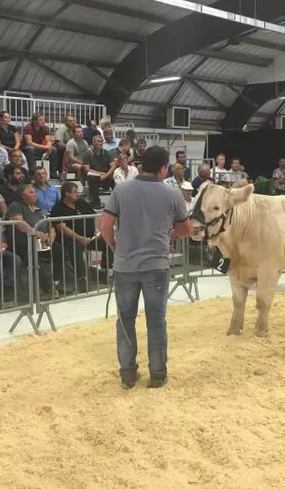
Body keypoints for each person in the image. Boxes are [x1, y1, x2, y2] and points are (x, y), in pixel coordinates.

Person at [100, 146, 193, 389]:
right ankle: (158, 374)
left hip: (125, 266)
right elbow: (186, 229)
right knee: (156, 321)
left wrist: (113, 246)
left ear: (141, 165)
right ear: (164, 168)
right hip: (156, 266)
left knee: (125, 321)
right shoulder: (172, 194)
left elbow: (105, 224)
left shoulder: (121, 189)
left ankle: (128, 374)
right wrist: (169, 233)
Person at [51, 182, 112, 289]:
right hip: (71, 239)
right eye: (74, 192)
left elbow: (94, 216)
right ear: (66, 194)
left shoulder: (81, 203)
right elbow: (62, 228)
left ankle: (105, 270)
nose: (77, 194)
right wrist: (80, 238)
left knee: (108, 242)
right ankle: (82, 278)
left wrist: (97, 230)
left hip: (90, 236)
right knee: (76, 247)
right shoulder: (58, 208)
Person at [82, 135, 114, 208]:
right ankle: (96, 202)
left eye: (101, 141)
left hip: (106, 175)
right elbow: (87, 170)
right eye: (98, 141)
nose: (101, 143)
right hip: (95, 175)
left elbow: (113, 165)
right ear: (93, 143)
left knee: (114, 178)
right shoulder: (87, 153)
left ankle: (116, 202)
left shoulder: (106, 152)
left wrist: (106, 175)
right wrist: (100, 174)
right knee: (91, 178)